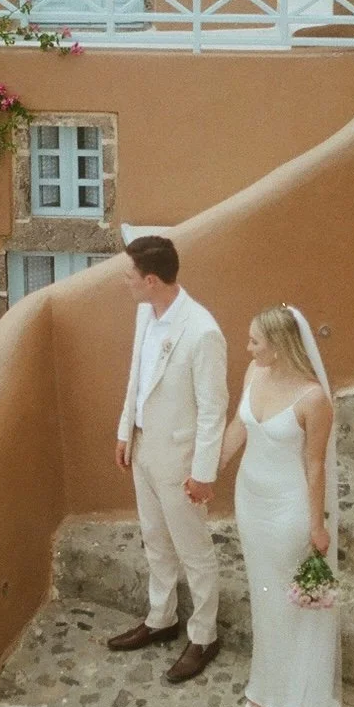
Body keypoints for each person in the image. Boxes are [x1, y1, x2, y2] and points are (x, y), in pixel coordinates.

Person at [218, 303, 342, 707]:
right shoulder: (255, 373)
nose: (248, 348)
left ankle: (292, 695)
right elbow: (238, 427)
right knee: (264, 592)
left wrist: (317, 525)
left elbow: (315, 466)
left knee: (289, 598)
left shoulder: (314, 399)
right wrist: (208, 471)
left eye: (255, 341)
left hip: (290, 507)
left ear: (279, 344)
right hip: (251, 499)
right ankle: (266, 684)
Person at [108, 236, 229, 683]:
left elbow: (214, 409)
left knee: (194, 550)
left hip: (180, 460)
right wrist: (126, 431)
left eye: (130, 275)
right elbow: (136, 378)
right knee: (154, 539)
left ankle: (204, 635)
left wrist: (203, 473)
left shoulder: (203, 331)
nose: (125, 281)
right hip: (144, 448)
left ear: (152, 280)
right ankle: (161, 619)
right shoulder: (145, 312)